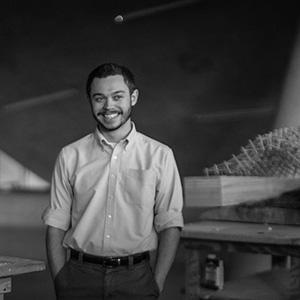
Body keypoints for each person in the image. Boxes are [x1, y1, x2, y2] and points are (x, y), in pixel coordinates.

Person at [42, 62, 184, 300]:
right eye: (99, 98)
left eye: (117, 96)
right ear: (90, 100)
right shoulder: (70, 155)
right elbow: (56, 223)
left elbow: (170, 222)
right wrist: (61, 282)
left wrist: (155, 284)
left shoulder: (160, 155)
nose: (108, 106)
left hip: (137, 279)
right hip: (78, 278)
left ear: (134, 97)